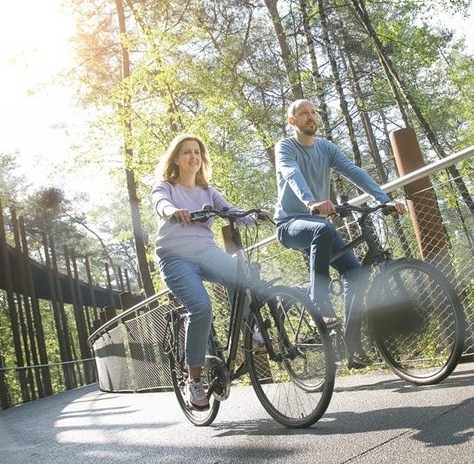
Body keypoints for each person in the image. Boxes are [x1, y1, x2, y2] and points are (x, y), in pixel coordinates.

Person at [272, 99, 407, 369]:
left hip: (319, 225)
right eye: (303, 113)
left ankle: (350, 346)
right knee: (324, 228)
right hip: (290, 224)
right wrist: (311, 202)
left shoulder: (326, 148)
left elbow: (354, 172)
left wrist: (384, 200)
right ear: (292, 121)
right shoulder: (286, 146)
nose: (310, 117)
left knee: (355, 274)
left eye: (313, 113)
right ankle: (317, 302)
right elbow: (291, 174)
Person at [152, 133, 266, 410]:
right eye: (187, 152)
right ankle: (194, 380)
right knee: (201, 308)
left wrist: (255, 217)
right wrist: (173, 210)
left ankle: (250, 331)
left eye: (197, 153)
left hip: (205, 252)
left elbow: (232, 212)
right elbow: (160, 203)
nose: (193, 157)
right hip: (176, 258)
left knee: (241, 271)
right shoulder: (165, 187)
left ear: (202, 159)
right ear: (177, 159)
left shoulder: (207, 192)